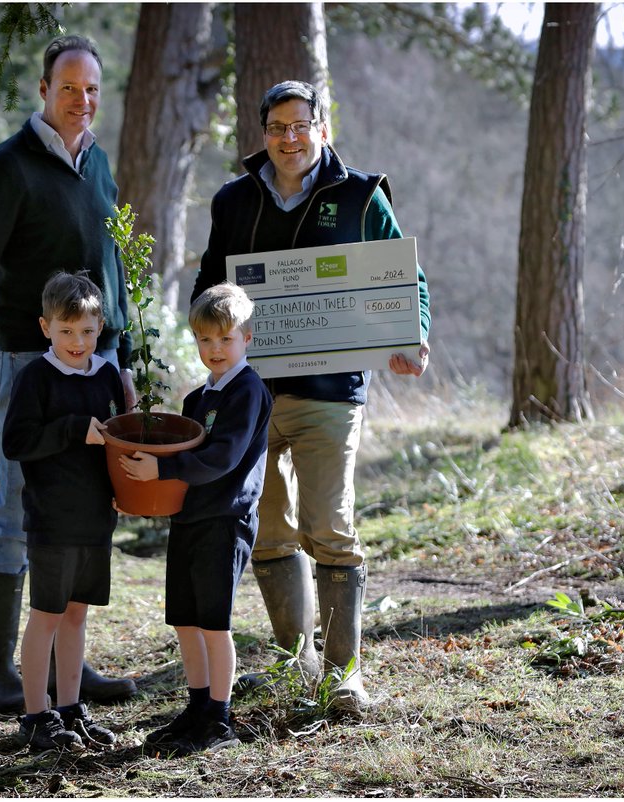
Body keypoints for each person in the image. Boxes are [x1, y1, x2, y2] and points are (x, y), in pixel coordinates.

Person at [190, 80, 431, 714]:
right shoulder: (234, 201)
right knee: (269, 530)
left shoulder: (359, 196)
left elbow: (408, 280)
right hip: (252, 394)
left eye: (301, 125)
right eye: (276, 127)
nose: (288, 138)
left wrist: (413, 336)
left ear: (322, 128)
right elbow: (208, 283)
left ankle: (344, 672)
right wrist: (206, 334)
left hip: (332, 391)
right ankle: (293, 661)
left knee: (330, 525)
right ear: (262, 133)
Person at [0, 34, 137, 713]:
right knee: (18, 513)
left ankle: (64, 671)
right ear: (43, 92)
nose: (81, 101)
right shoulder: (11, 166)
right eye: (68, 88)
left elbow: (115, 269)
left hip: (100, 362)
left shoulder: (98, 164)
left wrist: (126, 358)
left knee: (80, 512)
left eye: (91, 90)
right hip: (33, 361)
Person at [118, 282, 272, 754]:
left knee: (213, 623)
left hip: (225, 521)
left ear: (247, 337)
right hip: (189, 519)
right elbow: (181, 463)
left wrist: (161, 467)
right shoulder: (195, 400)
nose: (215, 349)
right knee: (185, 620)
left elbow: (223, 457)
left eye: (226, 339)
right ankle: (198, 706)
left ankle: (220, 719)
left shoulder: (248, 391)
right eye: (205, 340)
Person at [2, 271, 127, 751]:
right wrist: (76, 429)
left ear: (101, 328)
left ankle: (70, 709)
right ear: (45, 327)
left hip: (96, 517)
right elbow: (17, 443)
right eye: (66, 330)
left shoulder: (108, 375)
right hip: (52, 518)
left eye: (88, 331)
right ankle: (36, 716)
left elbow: (114, 443)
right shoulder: (35, 377)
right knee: (47, 614)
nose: (78, 341)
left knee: (77, 614)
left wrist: (122, 488)